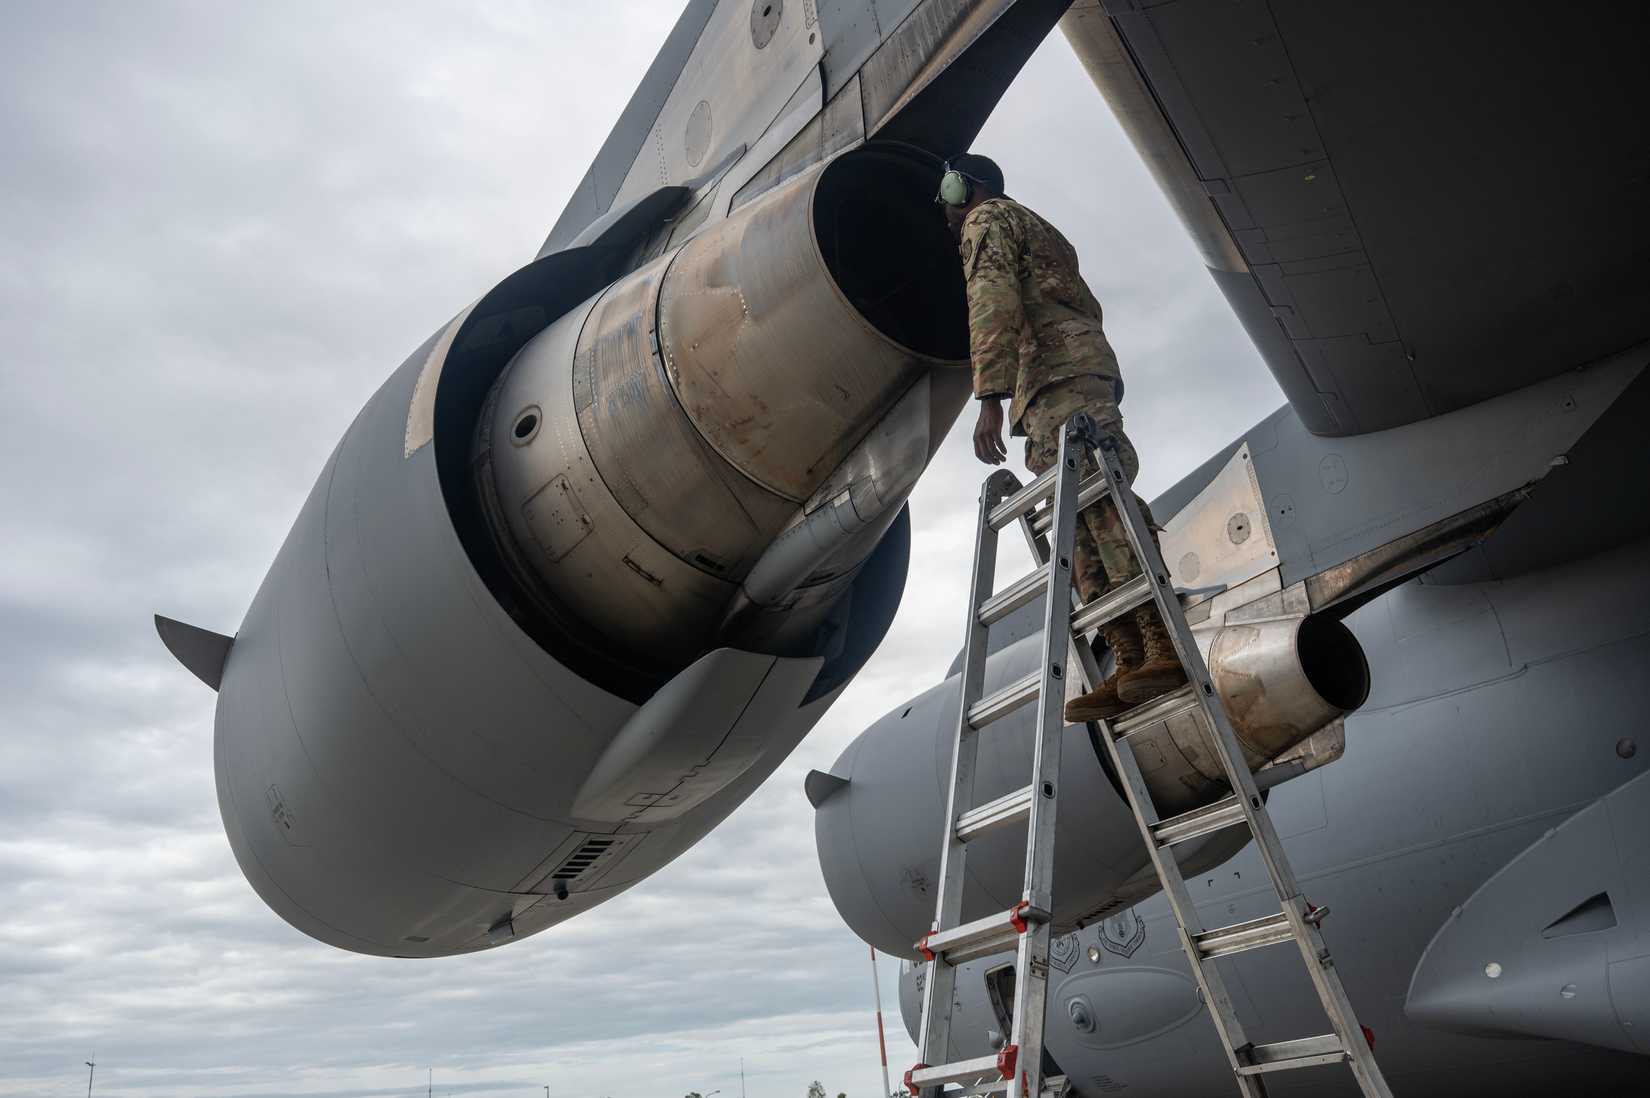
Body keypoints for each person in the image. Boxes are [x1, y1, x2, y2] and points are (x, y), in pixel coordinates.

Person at [938, 153, 1184, 721]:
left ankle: (1160, 644)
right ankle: (1128, 659)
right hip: (1048, 383)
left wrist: (989, 401)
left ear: (961, 187)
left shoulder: (988, 219)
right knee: (1074, 518)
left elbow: (991, 301)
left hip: (1062, 373)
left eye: (945, 195)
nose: (944, 211)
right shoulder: (1034, 226)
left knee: (1100, 503)